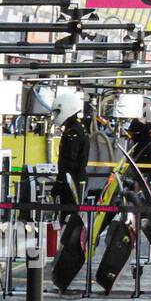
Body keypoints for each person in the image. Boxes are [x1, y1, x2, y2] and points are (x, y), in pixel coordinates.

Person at [52, 89, 89, 221]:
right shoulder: (77, 129)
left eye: (58, 112)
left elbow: (69, 161)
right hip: (75, 179)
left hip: (71, 180)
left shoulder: (73, 132)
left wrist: (60, 181)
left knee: (68, 216)